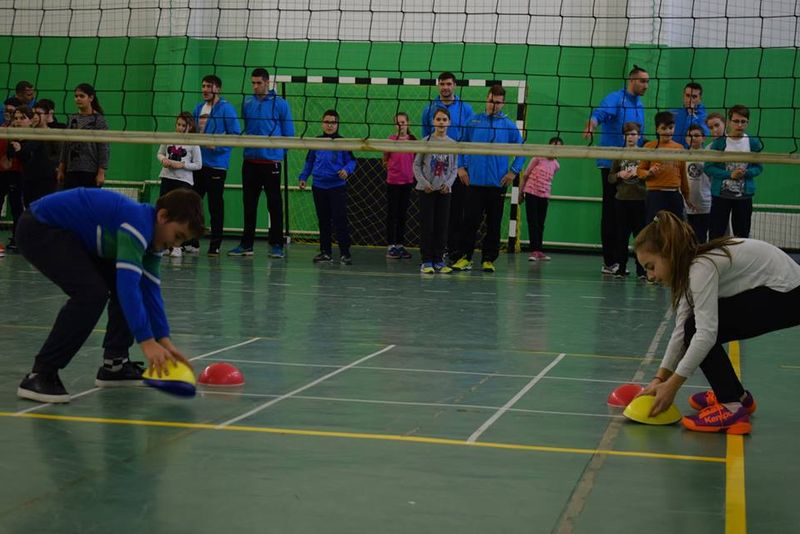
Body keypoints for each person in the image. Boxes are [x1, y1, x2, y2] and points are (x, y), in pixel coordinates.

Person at [14, 188, 204, 403]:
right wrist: (147, 341)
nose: (175, 245)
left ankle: (115, 365)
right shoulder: (137, 224)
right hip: (40, 227)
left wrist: (164, 341)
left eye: (182, 241)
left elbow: (150, 291)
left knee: (122, 285)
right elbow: (128, 287)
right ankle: (41, 374)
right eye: (177, 236)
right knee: (91, 295)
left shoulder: (153, 240)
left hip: (71, 236)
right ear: (163, 216)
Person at [635, 210, 800, 434]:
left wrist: (672, 385)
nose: (650, 276)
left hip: (789, 294)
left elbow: (704, 334)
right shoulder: (689, 269)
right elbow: (680, 332)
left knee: (698, 329)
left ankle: (731, 408)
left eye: (651, 266)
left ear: (668, 253)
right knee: (691, 327)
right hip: (786, 292)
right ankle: (738, 397)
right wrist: (659, 379)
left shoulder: (700, 268)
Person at [451, 84, 524, 273]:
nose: (494, 105)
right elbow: (461, 145)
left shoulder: (508, 125)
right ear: (486, 99)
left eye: (498, 102)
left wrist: (513, 171)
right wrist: (461, 167)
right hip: (473, 182)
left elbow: (522, 150)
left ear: (503, 103)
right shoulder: (473, 121)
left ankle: (488, 259)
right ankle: (464, 257)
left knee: (494, 223)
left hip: (496, 184)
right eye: (491, 101)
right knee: (469, 221)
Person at [583, 65, 649, 275]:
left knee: (634, 216)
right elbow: (599, 114)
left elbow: (641, 137)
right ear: (632, 81)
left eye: (648, 81)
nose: (646, 85)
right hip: (612, 164)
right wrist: (591, 124)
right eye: (642, 81)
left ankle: (633, 263)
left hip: (635, 165)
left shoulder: (640, 105)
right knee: (611, 213)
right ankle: (610, 262)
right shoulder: (615, 99)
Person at [229, 68, 294, 259]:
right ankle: (246, 244)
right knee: (249, 204)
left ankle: (277, 244)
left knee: (274, 204)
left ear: (267, 82)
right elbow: (247, 128)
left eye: (258, 83)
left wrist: (277, 154)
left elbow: (289, 134)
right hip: (250, 161)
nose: (255, 86)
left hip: (271, 162)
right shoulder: (247, 102)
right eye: (253, 83)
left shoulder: (280, 104)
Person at [420, 72, 475, 265]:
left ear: (455, 85)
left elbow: (469, 139)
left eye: (448, 84)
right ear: (438, 86)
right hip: (433, 170)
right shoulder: (429, 109)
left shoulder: (466, 108)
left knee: (454, 214)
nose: (445, 87)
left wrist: (462, 166)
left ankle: (452, 252)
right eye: (442, 84)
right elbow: (425, 139)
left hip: (456, 169)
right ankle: (431, 255)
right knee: (431, 217)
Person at [298, 109, 356, 265]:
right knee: (323, 221)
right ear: (322, 124)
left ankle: (345, 253)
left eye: (333, 122)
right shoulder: (316, 142)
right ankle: (325, 252)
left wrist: (346, 170)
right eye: (327, 122)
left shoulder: (343, 142)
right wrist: (303, 177)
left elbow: (352, 161)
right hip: (318, 187)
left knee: (340, 220)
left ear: (337, 124)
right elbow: (309, 161)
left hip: (337, 187)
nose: (330, 125)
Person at [191, 74, 241, 256]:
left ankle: (215, 244)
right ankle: (193, 241)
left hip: (217, 166)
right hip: (198, 165)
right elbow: (192, 132)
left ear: (217, 89)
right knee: (193, 204)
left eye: (209, 86)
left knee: (215, 206)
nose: (205, 89)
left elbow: (235, 135)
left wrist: (217, 145)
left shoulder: (226, 109)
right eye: (203, 86)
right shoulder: (198, 108)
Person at [705, 104, 763, 239]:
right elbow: (708, 167)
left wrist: (746, 172)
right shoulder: (719, 143)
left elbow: (759, 167)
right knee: (716, 234)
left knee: (742, 235)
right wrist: (729, 174)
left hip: (744, 197)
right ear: (729, 122)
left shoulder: (753, 143)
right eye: (736, 121)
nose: (739, 125)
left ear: (747, 123)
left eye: (743, 121)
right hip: (721, 196)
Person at [413, 108, 457, 274]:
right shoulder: (425, 142)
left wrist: (448, 184)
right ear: (433, 122)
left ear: (449, 122)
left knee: (442, 226)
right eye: (438, 119)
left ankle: (439, 259)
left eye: (444, 119)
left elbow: (454, 168)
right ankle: (426, 261)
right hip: (427, 191)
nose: (441, 122)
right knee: (427, 226)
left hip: (444, 191)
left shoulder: (453, 144)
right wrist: (424, 183)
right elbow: (416, 165)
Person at [156, 112, 202, 257]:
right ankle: (164, 245)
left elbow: (198, 164)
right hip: (167, 178)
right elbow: (160, 153)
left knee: (180, 214)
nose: (180, 128)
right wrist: (163, 160)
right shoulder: (169, 137)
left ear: (190, 127)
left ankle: (177, 246)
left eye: (183, 125)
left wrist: (182, 165)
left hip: (183, 181)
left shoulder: (193, 143)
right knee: (164, 211)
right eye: (178, 124)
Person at [607, 122, 646, 278]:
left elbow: (650, 176)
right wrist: (619, 175)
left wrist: (641, 174)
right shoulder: (619, 154)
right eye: (628, 134)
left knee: (640, 237)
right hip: (622, 200)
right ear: (624, 137)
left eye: (633, 134)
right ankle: (621, 268)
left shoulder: (644, 155)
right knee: (621, 236)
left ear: (639, 136)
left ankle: (641, 270)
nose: (630, 137)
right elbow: (610, 178)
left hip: (640, 200)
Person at [637, 111, 691, 221]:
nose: (668, 131)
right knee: (655, 227)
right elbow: (640, 171)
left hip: (674, 195)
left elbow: (683, 175)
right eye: (664, 128)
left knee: (675, 227)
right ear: (657, 129)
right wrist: (649, 172)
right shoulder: (649, 147)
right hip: (655, 195)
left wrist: (686, 196)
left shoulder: (679, 148)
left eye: (671, 128)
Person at [58, 83, 109, 189]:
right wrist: (61, 168)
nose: (78, 99)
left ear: (91, 98)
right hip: (71, 170)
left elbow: (104, 147)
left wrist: (101, 172)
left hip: (90, 170)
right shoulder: (72, 118)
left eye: (82, 96)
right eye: (76, 96)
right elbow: (65, 144)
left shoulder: (98, 119)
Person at [520, 136, 562, 262]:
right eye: (553, 146)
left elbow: (548, 180)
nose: (555, 150)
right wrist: (520, 193)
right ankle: (534, 251)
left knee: (540, 223)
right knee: (533, 222)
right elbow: (525, 175)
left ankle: (539, 250)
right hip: (531, 193)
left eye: (558, 148)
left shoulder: (556, 165)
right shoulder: (537, 158)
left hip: (544, 196)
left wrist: (547, 195)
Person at [8, 105, 59, 206]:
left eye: (22, 118)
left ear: (31, 121)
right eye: (16, 118)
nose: (18, 121)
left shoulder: (36, 135)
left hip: (44, 180)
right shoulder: (14, 137)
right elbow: (10, 156)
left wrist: (20, 149)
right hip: (27, 179)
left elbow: (27, 150)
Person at [383, 112, 416, 260]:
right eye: (398, 123)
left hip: (407, 182)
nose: (400, 125)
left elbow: (417, 159)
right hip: (393, 182)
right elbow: (385, 159)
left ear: (408, 123)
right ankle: (391, 246)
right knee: (392, 214)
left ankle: (400, 244)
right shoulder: (390, 140)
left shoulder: (413, 140)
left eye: (403, 122)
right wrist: (392, 169)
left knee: (403, 214)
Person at [684, 124, 712, 243]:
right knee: (687, 239)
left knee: (701, 238)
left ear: (703, 138)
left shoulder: (709, 156)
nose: (693, 138)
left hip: (705, 204)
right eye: (689, 136)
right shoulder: (681, 156)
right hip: (686, 205)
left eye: (696, 135)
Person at [671, 82, 709, 147]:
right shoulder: (672, 113)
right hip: (673, 151)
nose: (690, 100)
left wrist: (691, 114)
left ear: (700, 99)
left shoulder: (704, 117)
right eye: (687, 95)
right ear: (683, 96)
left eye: (694, 97)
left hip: (693, 152)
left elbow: (704, 134)